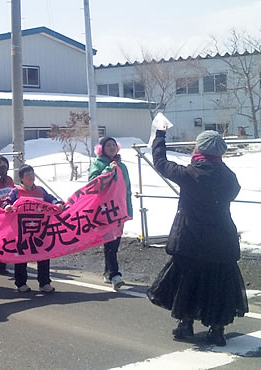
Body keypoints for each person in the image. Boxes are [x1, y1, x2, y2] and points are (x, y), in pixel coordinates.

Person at [147, 129, 248, 346]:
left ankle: (185, 324)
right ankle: (217, 330)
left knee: (188, 280)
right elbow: (233, 191)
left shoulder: (189, 174)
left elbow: (161, 163)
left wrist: (160, 136)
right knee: (219, 283)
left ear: (199, 149)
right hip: (222, 240)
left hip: (191, 238)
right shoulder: (230, 178)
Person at [2, 164, 64, 293]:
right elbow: (6, 202)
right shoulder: (16, 191)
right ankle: (21, 283)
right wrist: (7, 207)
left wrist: (58, 204)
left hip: (40, 230)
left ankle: (44, 282)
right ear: (22, 179)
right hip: (21, 230)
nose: (31, 177)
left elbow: (51, 200)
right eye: (27, 175)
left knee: (43, 254)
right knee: (21, 256)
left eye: (32, 174)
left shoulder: (40, 190)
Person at [88, 137, 132, 290]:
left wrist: (128, 209)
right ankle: (115, 275)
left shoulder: (123, 166)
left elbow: (127, 190)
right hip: (104, 210)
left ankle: (108, 272)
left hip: (119, 210)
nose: (112, 147)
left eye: (114, 145)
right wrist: (108, 170)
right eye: (108, 145)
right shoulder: (97, 164)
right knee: (109, 242)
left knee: (116, 243)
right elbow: (92, 184)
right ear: (102, 148)